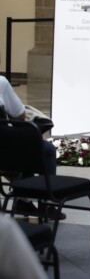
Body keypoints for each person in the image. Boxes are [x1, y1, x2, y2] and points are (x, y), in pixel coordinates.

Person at [0, 75, 60, 219]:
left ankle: (24, 199)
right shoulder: (1, 82)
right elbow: (20, 114)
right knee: (46, 150)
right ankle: (46, 200)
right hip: (5, 152)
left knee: (21, 148)